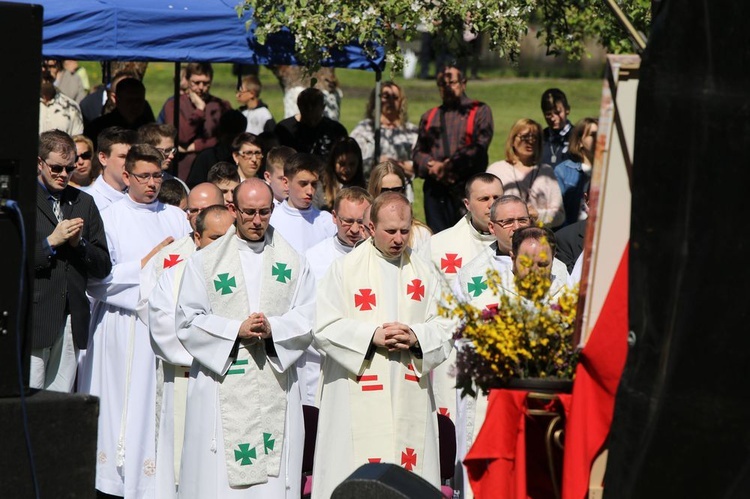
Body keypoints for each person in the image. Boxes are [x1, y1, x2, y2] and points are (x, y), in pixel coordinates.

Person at [175, 178, 316, 498]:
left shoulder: (292, 260)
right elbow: (186, 321)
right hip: (220, 382)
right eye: (249, 212)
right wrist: (234, 331)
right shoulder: (205, 261)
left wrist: (273, 331)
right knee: (219, 482)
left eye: (265, 212)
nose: (257, 220)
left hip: (274, 379)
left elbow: (308, 319)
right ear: (232, 209)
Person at [311, 192, 454, 498]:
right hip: (354, 391)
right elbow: (322, 327)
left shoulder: (426, 273)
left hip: (407, 391)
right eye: (390, 231)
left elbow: (446, 327)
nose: (399, 239)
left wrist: (416, 337)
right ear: (371, 228)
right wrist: (371, 336)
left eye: (405, 230)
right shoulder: (344, 270)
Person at [79, 144, 191, 498]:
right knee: (121, 405)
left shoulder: (175, 217)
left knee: (157, 405)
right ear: (126, 176)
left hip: (164, 327)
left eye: (158, 176)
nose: (152, 184)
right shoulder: (108, 217)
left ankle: (154, 481)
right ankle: (112, 482)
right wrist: (146, 265)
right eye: (144, 176)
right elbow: (96, 280)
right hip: (121, 325)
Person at [451, 220, 567, 499]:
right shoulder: (486, 287)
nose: (537, 273)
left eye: (544, 265)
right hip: (495, 402)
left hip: (545, 408)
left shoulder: (563, 285)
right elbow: (460, 337)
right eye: (528, 264)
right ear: (512, 257)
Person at [140, 184, 228, 499]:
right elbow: (155, 318)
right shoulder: (171, 263)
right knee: (180, 457)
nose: (196, 219)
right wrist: (210, 352)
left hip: (229, 376)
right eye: (192, 212)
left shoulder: (237, 264)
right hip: (184, 374)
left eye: (206, 212)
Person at [32, 130, 110, 392]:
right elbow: (12, 262)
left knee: (60, 404)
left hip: (70, 320)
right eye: (56, 168)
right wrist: (50, 243)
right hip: (34, 318)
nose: (64, 175)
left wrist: (80, 245)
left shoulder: (84, 202)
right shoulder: (23, 200)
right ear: (39, 163)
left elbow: (103, 265)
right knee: (29, 399)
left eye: (70, 168)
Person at [429, 172, 503, 422]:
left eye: (497, 197)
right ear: (467, 204)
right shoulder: (439, 246)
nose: (491, 204)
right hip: (454, 354)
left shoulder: (522, 246)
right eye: (484, 198)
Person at [301, 187, 373, 407]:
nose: (354, 229)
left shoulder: (379, 259)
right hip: (321, 364)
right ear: (334, 217)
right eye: (346, 221)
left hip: (369, 361)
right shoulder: (313, 259)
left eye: (360, 222)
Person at [412, 64, 494, 233]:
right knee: (438, 239)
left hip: (466, 190)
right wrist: (431, 165)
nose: (448, 87)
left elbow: (479, 148)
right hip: (436, 193)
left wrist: (450, 166)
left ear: (463, 83)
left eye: (452, 82)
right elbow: (418, 153)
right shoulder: (429, 117)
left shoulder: (480, 111)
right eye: (443, 84)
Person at [486, 118, 565, 228]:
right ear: (512, 140)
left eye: (535, 137)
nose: (530, 141)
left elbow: (560, 215)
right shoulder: (496, 170)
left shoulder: (546, 172)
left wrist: (538, 216)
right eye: (524, 137)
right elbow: (487, 210)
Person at [162, 62, 233, 180]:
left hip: (214, 170)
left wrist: (195, 146)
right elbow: (181, 136)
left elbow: (226, 139)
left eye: (206, 83)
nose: (201, 87)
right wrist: (200, 110)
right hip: (183, 171)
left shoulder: (221, 106)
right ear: (187, 80)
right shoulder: (174, 104)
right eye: (196, 83)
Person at [268, 153, 337, 255]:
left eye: (314, 184)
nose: (310, 191)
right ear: (286, 183)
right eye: (303, 184)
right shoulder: (271, 219)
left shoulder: (327, 221)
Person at [349, 81, 419, 179]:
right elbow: (352, 160)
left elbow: (419, 167)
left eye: (395, 97)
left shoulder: (411, 132)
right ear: (376, 100)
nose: (390, 101)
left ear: (401, 102)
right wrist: (376, 161)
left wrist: (396, 165)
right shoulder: (364, 129)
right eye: (386, 97)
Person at [368, 161, 432, 256]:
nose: (391, 196)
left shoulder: (421, 234)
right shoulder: (361, 230)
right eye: (384, 191)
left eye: (396, 190)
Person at [274, 87, 348, 161]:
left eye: (314, 105)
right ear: (299, 106)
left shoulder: (336, 131)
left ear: (323, 107)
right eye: (306, 106)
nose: (310, 109)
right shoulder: (284, 130)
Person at [85, 77, 155, 148]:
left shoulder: (150, 128)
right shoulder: (98, 128)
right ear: (116, 100)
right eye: (129, 101)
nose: (135, 105)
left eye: (138, 100)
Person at [187, 109, 248, 188]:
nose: (233, 143)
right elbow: (194, 188)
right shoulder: (206, 158)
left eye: (237, 137)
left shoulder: (246, 158)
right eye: (230, 137)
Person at [554, 117, 598, 226]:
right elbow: (557, 213)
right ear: (580, 142)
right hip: (572, 235)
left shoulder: (610, 172)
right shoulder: (563, 171)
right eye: (593, 135)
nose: (598, 138)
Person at [84, 126, 137, 211]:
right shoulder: (87, 203)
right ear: (103, 158)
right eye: (122, 156)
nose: (129, 162)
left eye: (131, 156)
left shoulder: (142, 198)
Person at [318, 137, 367, 211]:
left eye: (352, 164)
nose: (347, 169)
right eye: (342, 164)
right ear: (333, 163)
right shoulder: (321, 186)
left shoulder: (366, 189)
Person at [39, 65, 83, 136]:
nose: (47, 71)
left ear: (58, 70)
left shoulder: (71, 107)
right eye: (43, 66)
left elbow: (77, 141)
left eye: (52, 66)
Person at [540, 88, 574, 168]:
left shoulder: (578, 136)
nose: (553, 118)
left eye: (557, 113)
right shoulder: (540, 137)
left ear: (567, 110)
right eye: (548, 114)